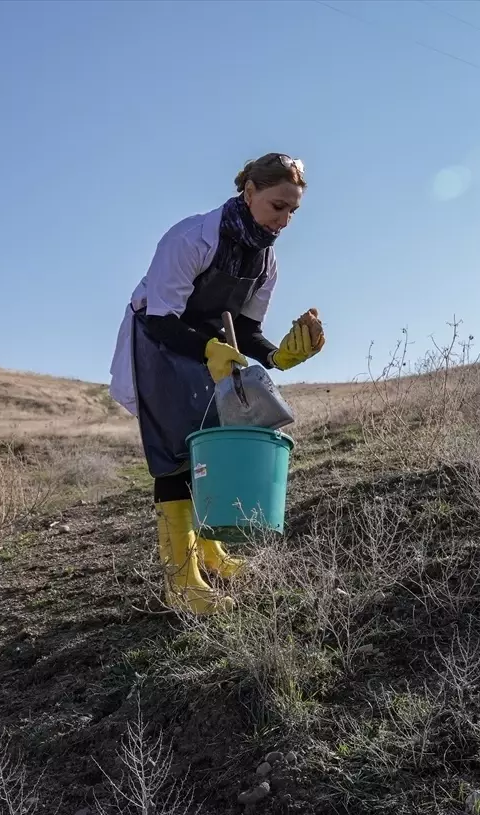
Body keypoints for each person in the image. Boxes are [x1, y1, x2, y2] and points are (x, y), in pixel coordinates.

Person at [108, 153, 326, 616]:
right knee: (174, 458)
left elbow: (245, 331)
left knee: (208, 452)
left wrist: (280, 354)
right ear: (249, 193)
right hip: (161, 346)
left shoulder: (265, 261)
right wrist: (208, 348)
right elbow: (163, 317)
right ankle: (181, 580)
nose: (285, 220)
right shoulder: (191, 238)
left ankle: (211, 553)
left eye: (293, 211)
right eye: (277, 206)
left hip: (211, 354)